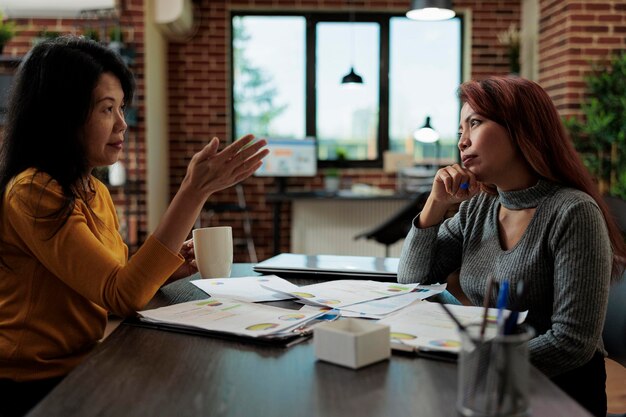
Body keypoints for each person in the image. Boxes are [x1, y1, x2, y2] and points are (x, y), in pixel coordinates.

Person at [0, 36, 268, 417]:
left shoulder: (92, 189)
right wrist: (193, 192)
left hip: (84, 365)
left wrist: (173, 268)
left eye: (121, 107)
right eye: (108, 109)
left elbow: (118, 277)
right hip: (31, 387)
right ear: (63, 114)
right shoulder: (33, 191)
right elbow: (120, 294)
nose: (123, 124)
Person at [398, 76, 626, 417]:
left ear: (522, 129)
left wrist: (476, 365)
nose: (462, 141)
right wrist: (435, 204)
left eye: (474, 123)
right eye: (461, 129)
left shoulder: (573, 212)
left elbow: (572, 343)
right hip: (488, 387)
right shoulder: (479, 208)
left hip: (555, 394)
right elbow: (411, 281)